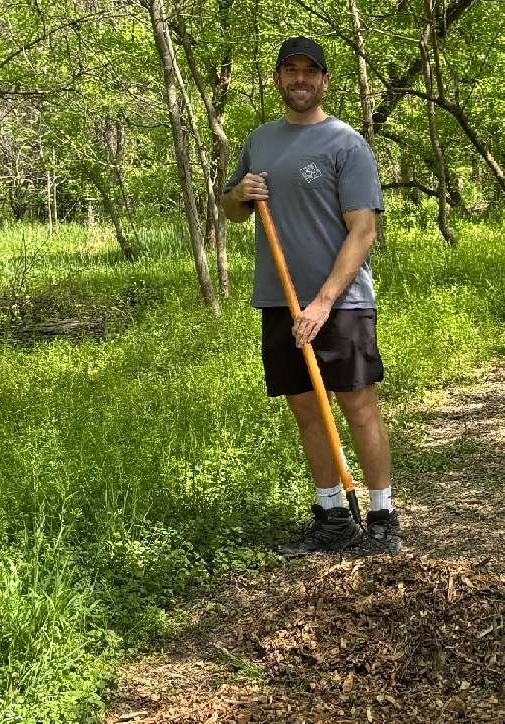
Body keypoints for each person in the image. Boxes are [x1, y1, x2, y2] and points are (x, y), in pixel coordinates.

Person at [220, 36, 399, 557]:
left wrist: (323, 302)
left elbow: (363, 230)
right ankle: (333, 516)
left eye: (309, 72)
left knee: (357, 404)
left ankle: (383, 515)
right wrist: (238, 195)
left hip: (339, 303)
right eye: (290, 70)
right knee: (306, 408)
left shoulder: (346, 144)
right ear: (278, 78)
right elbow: (232, 210)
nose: (299, 79)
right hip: (280, 300)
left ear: (324, 81)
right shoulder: (259, 141)